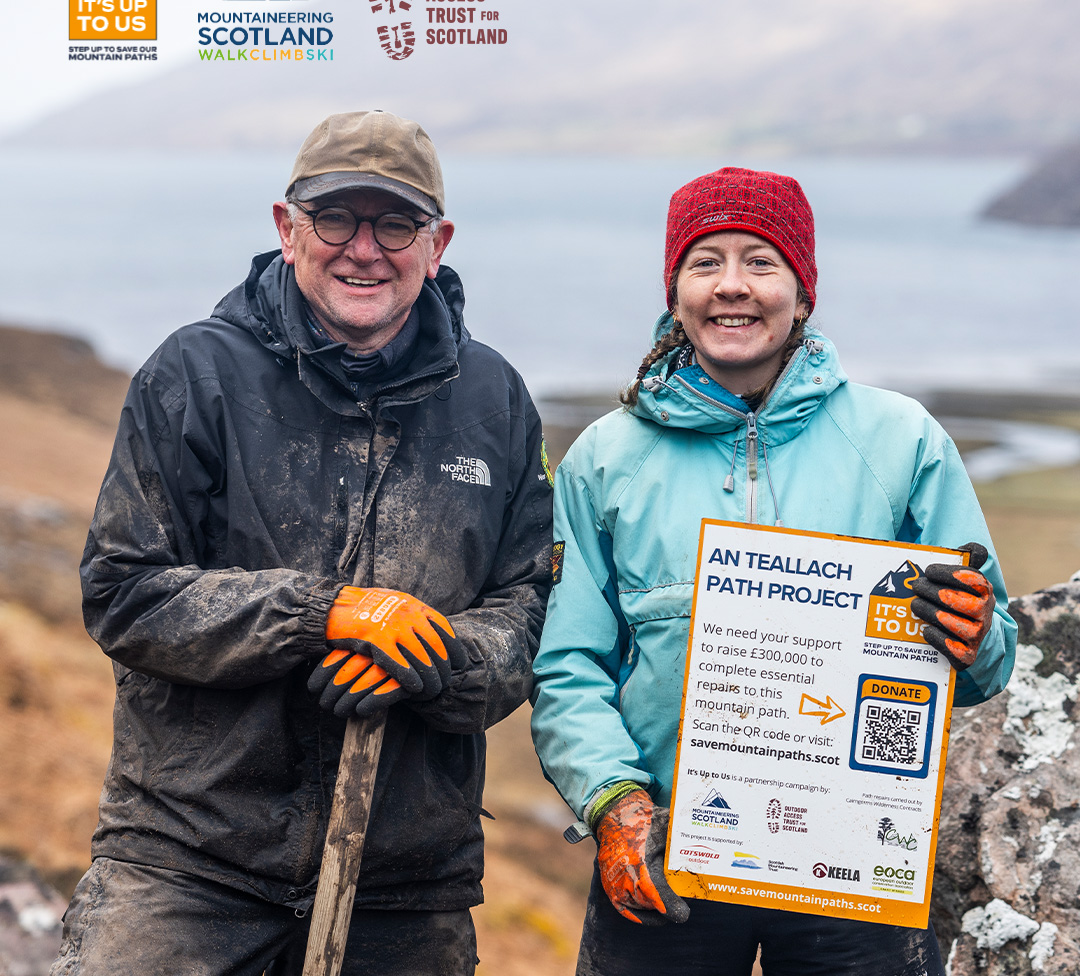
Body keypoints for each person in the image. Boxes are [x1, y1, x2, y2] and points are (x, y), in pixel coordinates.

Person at [53, 110, 553, 976]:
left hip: (406, 886)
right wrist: (328, 613)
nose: (365, 248)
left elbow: (530, 610)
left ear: (438, 244)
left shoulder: (496, 402)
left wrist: (436, 655)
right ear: (288, 230)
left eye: (396, 223)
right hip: (188, 863)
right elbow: (124, 593)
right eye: (336, 219)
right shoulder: (194, 376)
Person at [530, 167, 1016, 976]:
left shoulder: (904, 440)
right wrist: (611, 798)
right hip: (662, 853)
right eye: (704, 262)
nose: (732, 287)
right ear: (674, 289)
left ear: (803, 288)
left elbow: (985, 655)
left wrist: (974, 638)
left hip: (857, 858)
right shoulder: (604, 461)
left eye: (760, 261)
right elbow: (567, 663)